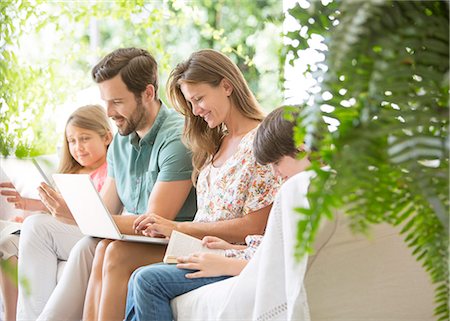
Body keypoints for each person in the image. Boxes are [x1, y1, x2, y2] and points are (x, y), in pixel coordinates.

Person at [82, 49, 281, 321]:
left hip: (226, 250)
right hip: (196, 245)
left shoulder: (260, 142)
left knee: (144, 279)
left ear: (226, 86)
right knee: (106, 250)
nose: (196, 111)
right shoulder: (215, 143)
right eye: (191, 103)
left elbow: (254, 226)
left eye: (199, 99)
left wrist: (177, 228)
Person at [29, 47, 197, 321]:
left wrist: (78, 216)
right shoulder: (121, 140)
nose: (108, 112)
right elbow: (106, 208)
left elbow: (154, 223)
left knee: (115, 251)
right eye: (105, 101)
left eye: (117, 101)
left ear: (148, 93)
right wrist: (77, 211)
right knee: (98, 246)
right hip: (140, 238)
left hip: (177, 238)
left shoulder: (177, 138)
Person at [124, 106, 312, 321]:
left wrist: (226, 264)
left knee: (146, 281)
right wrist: (230, 249)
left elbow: (290, 265)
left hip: (240, 262)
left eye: (277, 163)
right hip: (241, 253)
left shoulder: (302, 193)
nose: (275, 174)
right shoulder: (300, 191)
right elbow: (276, 249)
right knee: (139, 277)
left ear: (302, 149)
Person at [0, 104, 112, 321]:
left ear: (106, 137)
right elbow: (57, 210)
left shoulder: (109, 170)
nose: (78, 147)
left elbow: (94, 213)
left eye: (85, 138)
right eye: (72, 141)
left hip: (86, 231)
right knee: (8, 242)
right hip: (60, 228)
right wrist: (27, 204)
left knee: (35, 228)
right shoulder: (69, 173)